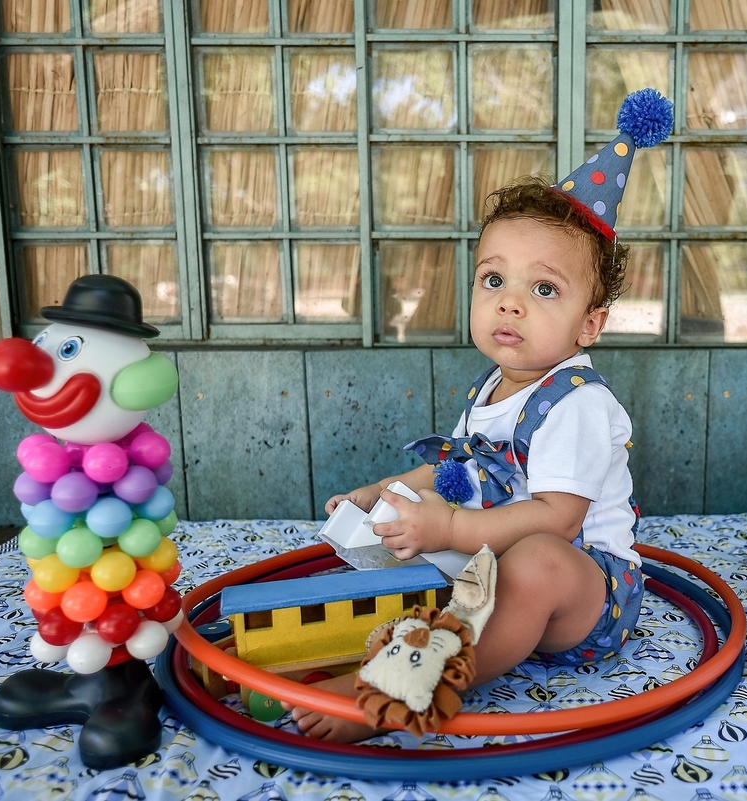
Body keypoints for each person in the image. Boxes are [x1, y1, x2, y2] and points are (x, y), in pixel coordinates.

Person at [285, 89, 674, 742]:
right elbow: (459, 474)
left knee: (537, 557)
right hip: (491, 572)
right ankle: (399, 642)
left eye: (543, 289)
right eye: (494, 280)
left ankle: (414, 688)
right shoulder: (492, 386)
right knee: (412, 537)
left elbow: (559, 517)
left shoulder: (577, 403)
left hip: (586, 598)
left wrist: (452, 525)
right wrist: (384, 494)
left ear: (590, 325)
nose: (510, 304)